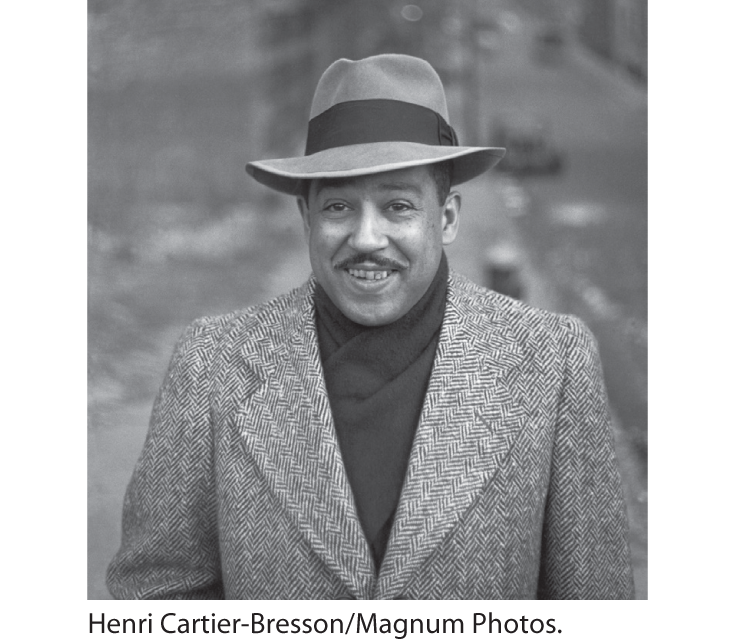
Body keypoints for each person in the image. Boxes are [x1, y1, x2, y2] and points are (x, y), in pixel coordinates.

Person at [107, 53, 634, 600]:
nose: (365, 237)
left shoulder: (552, 361)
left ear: (447, 217)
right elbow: (154, 597)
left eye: (398, 206)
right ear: (306, 219)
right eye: (338, 206)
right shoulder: (212, 364)